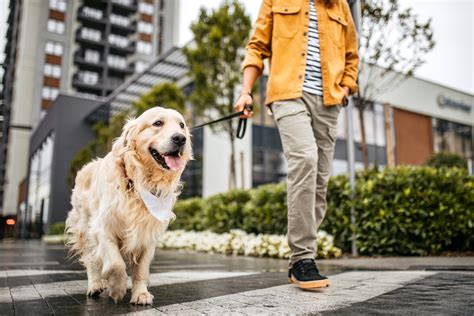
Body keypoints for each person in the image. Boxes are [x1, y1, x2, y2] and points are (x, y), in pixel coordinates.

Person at [235, 0, 359, 289]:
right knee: (305, 160)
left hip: (328, 102)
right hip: (288, 94)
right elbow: (257, 47)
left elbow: (352, 55)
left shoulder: (340, 5)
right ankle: (302, 258)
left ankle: (301, 257)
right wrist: (246, 92)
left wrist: (344, 89)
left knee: (319, 182)